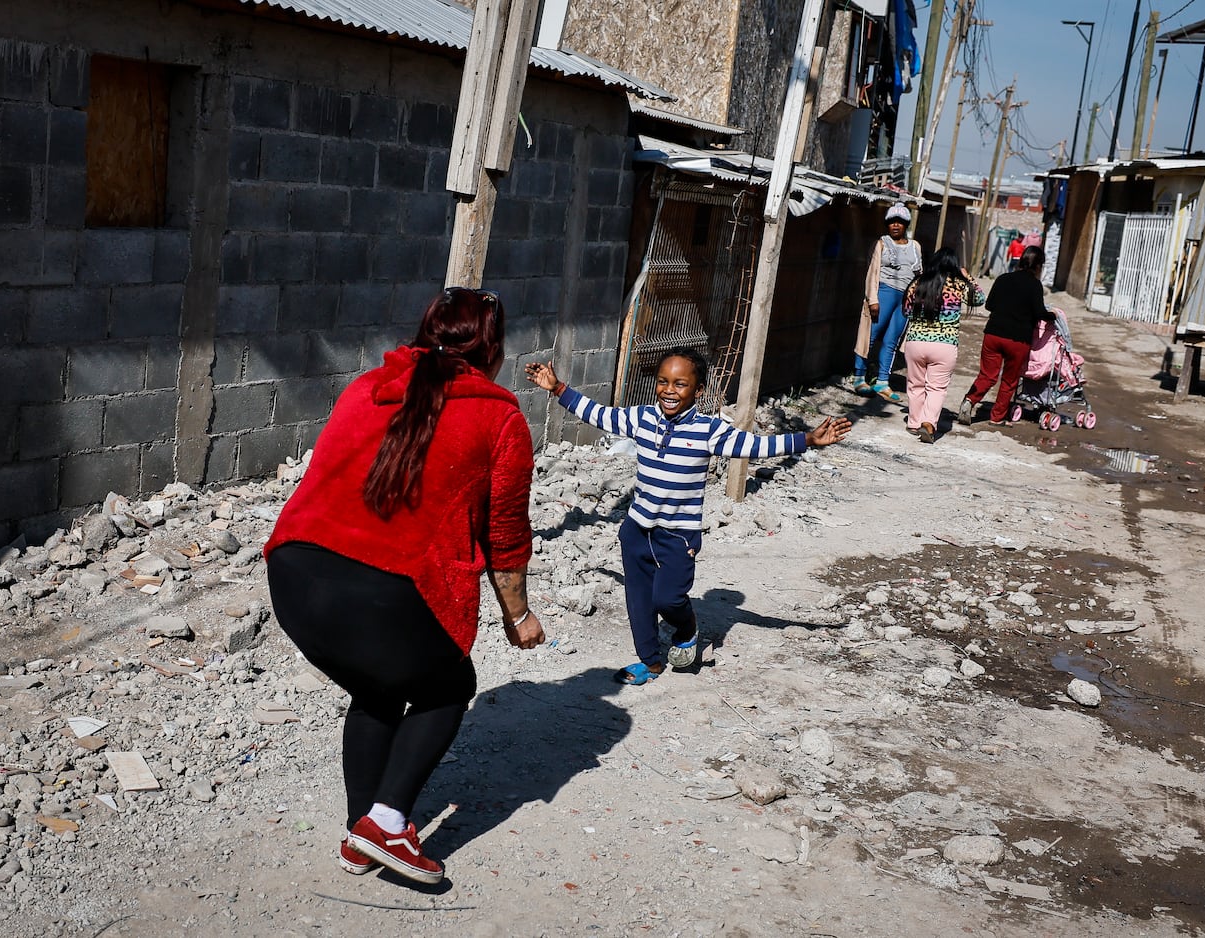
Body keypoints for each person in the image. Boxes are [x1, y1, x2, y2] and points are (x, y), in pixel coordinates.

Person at [264, 287, 545, 886]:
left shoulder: (365, 385)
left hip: (293, 574)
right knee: (449, 685)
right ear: (491, 349)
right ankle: (388, 823)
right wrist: (518, 616)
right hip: (379, 588)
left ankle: (359, 835)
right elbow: (505, 534)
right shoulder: (500, 416)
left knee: (379, 684)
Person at [525, 349, 851, 685]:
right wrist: (558, 388)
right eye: (663, 382)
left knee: (667, 598)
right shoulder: (642, 418)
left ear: (698, 391)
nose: (669, 390)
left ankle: (687, 626)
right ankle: (650, 663)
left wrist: (808, 439)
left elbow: (755, 446)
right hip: (637, 530)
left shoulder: (708, 430)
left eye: (680, 384)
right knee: (639, 602)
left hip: (678, 536)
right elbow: (599, 414)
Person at [958, 245, 1056, 427]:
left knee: (987, 375)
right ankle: (997, 418)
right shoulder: (1035, 285)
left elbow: (989, 306)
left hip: (993, 334)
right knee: (1009, 381)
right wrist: (1053, 316)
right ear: (1038, 266)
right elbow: (1040, 312)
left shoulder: (1003, 278)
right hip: (1018, 340)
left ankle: (970, 400)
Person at [901, 248, 985, 443]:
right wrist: (968, 277)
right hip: (944, 345)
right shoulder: (957, 284)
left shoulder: (918, 282)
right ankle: (929, 423)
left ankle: (914, 423)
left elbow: (906, 310)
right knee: (936, 388)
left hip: (916, 343)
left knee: (915, 384)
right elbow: (980, 299)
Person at [852, 202, 922, 402]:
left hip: (905, 298)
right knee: (870, 336)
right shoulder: (881, 243)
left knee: (892, 340)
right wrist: (872, 299)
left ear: (906, 224)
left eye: (900, 222)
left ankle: (883, 381)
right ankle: (859, 377)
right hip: (883, 292)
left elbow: (919, 275)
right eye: (892, 222)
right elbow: (872, 271)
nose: (896, 225)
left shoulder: (915, 247)